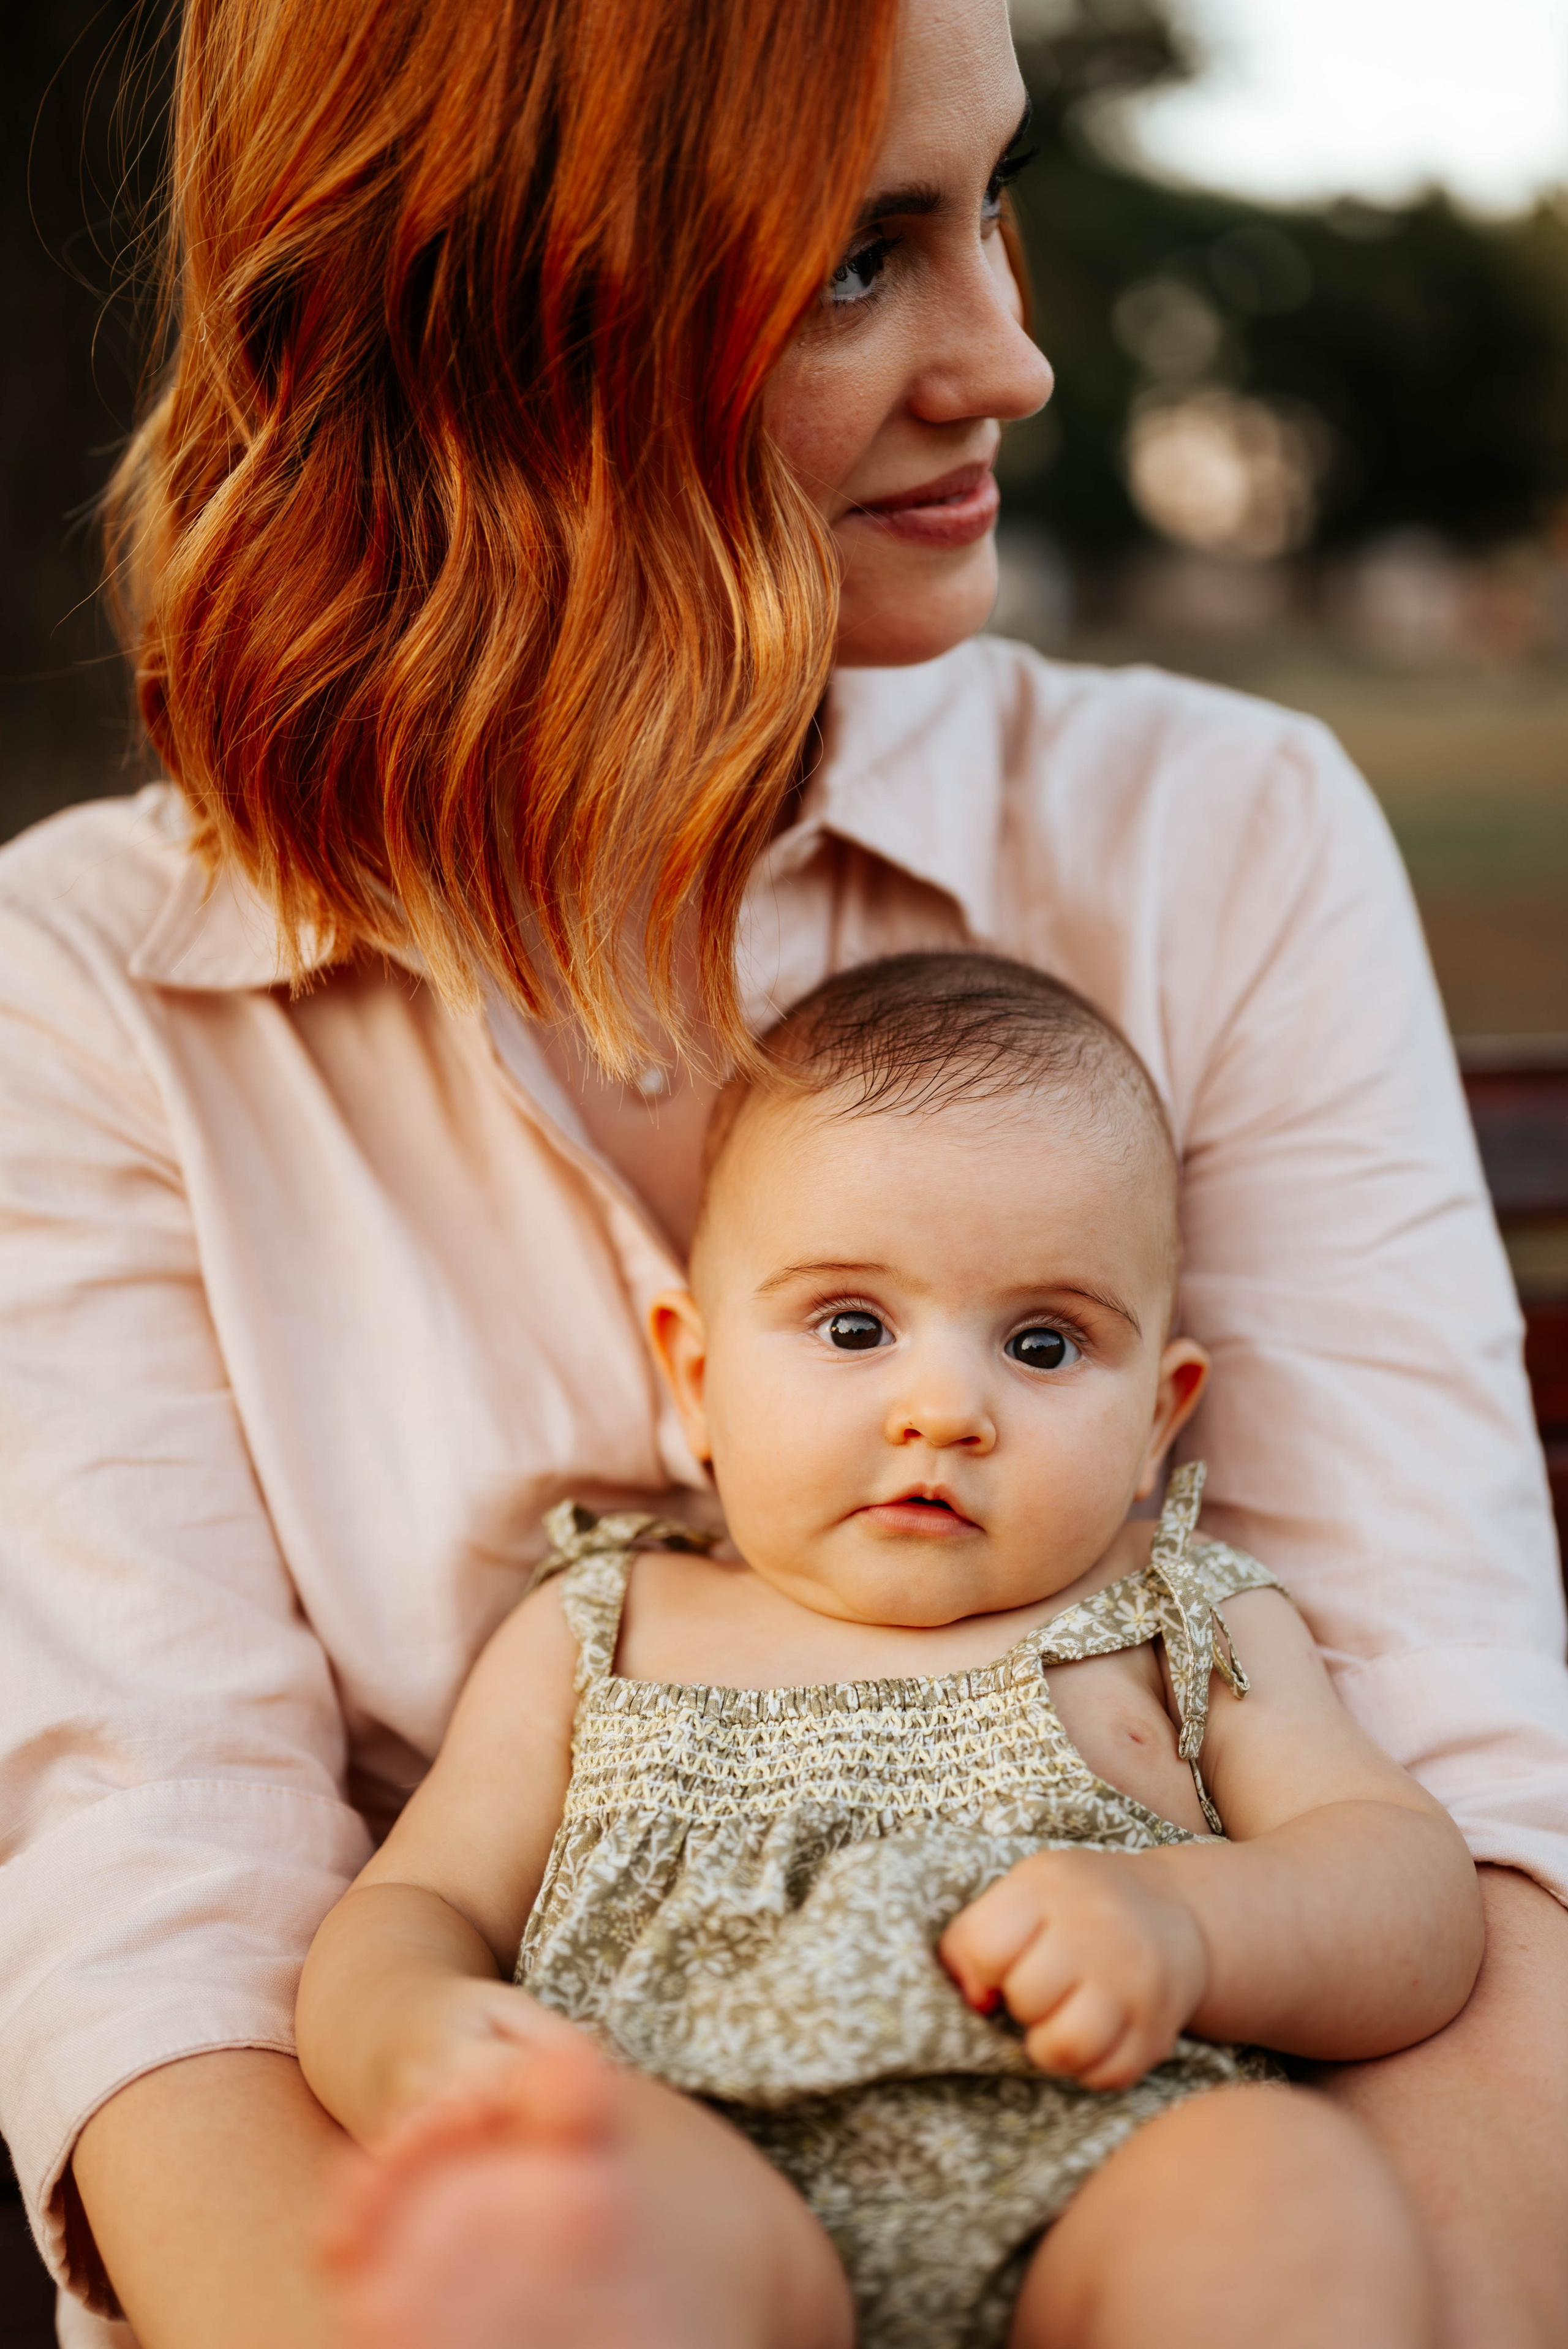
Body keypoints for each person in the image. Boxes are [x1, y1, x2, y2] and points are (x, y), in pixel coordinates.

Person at [0, 0, 1561, 2343]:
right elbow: (177, 1900)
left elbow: (1448, 1797)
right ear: (481, 328)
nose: (1012, 359)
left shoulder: (1212, 834)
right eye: (857, 258)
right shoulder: (93, 992)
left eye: (991, 202)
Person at [298, 952, 1482, 2349]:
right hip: (699, 2169)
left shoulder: (1184, 1617)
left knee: (1286, 2187)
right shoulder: (600, 1625)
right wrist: (400, 2027)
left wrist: (1188, 1920)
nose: (943, 1407)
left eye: (1042, 1343)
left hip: (1104, 2175)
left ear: (1158, 1419)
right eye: (852, 1324)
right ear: (695, 1374)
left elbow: (1405, 1887)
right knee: (559, 2224)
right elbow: (419, 1896)